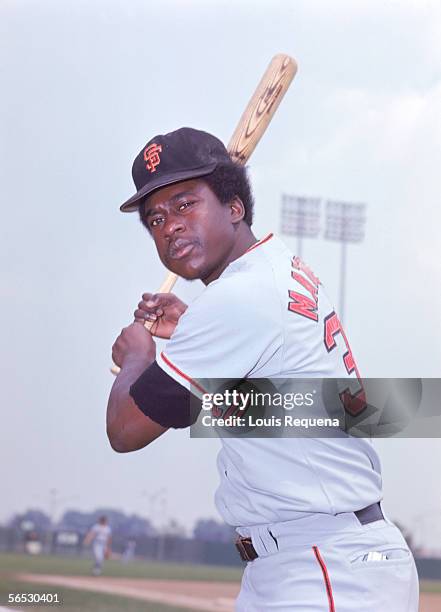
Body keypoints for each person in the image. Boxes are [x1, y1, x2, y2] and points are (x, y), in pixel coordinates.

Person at [107, 127, 419, 610]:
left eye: (186, 204)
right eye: (156, 218)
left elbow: (126, 430)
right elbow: (270, 406)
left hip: (325, 567)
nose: (169, 226)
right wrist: (193, 329)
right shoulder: (279, 270)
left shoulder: (239, 297)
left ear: (234, 207)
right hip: (315, 559)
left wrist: (137, 358)